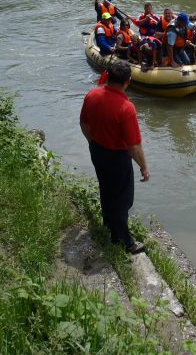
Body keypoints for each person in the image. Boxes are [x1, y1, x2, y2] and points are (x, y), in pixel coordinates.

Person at [80, 60, 150, 254]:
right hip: (117, 158)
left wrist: (92, 143)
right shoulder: (126, 108)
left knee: (106, 188)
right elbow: (133, 145)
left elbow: (84, 124)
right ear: (128, 81)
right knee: (123, 199)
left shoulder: (91, 95)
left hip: (97, 151)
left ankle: (109, 225)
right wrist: (144, 167)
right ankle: (125, 241)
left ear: (107, 77)